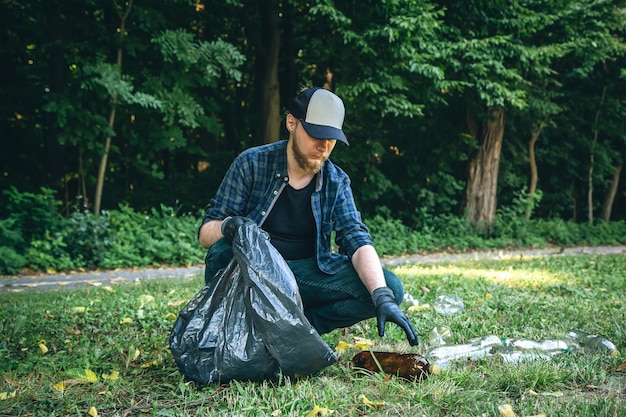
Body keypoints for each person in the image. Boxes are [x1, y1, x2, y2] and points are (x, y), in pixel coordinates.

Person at [198, 86, 418, 346]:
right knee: (222, 251)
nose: (324, 146)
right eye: (316, 134)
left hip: (306, 276)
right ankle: (248, 324)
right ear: (291, 122)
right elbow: (206, 235)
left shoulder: (336, 181)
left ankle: (299, 329)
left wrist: (381, 296)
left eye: (332, 138)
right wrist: (230, 226)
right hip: (254, 274)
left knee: (388, 287)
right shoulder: (251, 163)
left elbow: (356, 237)